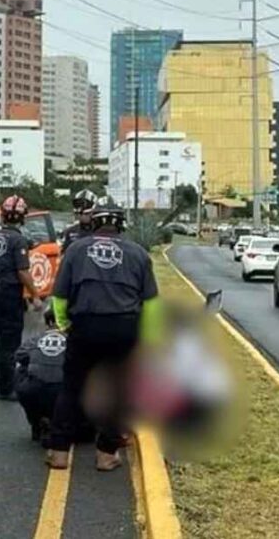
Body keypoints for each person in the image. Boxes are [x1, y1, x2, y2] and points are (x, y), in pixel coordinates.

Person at [46, 202, 163, 471]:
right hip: (124, 329)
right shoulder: (138, 254)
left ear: (93, 223)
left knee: (72, 388)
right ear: (121, 225)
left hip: (85, 327)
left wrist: (65, 325)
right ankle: (106, 453)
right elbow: (152, 303)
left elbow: (60, 296)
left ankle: (59, 451)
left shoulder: (76, 250)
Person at [0, 195, 42, 400]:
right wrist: (35, 295)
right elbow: (22, 272)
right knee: (11, 342)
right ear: (21, 217)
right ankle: (7, 388)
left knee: (1, 341)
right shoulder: (18, 240)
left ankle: (3, 385)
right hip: (10, 293)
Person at [15, 309, 98, 446]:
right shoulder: (78, 340)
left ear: (49, 323)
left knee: (20, 371)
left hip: (35, 391)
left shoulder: (36, 339)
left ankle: (37, 421)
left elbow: (19, 356)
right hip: (67, 393)